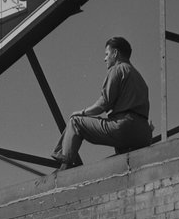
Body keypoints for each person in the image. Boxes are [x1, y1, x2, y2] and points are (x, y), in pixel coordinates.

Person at [47, 36, 152, 169]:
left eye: (107, 54)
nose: (105, 59)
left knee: (75, 122)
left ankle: (65, 166)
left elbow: (104, 103)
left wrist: (81, 112)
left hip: (125, 127)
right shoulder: (140, 78)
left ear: (115, 53)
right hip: (144, 134)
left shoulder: (117, 69)